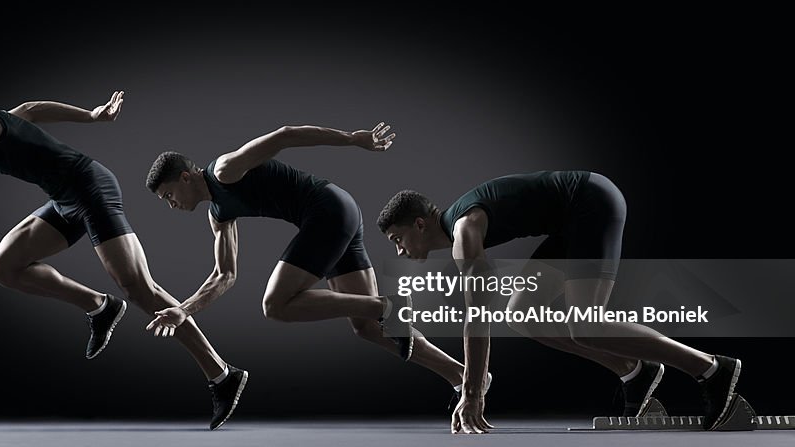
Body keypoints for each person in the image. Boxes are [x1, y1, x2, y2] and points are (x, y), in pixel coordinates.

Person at [0, 91, 246, 430]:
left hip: (90, 187)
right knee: (2, 267)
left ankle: (222, 375)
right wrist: (90, 114)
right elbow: (32, 111)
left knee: (140, 288)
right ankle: (100, 307)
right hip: (65, 200)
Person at [144, 123, 488, 412]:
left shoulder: (225, 170)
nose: (170, 204)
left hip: (327, 210)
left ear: (186, 177)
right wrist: (182, 310)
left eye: (168, 194)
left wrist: (354, 139)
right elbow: (225, 275)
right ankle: (465, 375)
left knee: (275, 305)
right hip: (340, 214)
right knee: (368, 328)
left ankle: (384, 305)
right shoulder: (219, 216)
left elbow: (285, 135)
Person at [376, 171, 742, 433]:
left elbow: (477, 315)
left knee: (585, 322)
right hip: (568, 222)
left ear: (420, 225)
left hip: (590, 201)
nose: (399, 249)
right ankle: (634, 370)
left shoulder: (465, 230)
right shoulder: (461, 226)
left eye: (398, 238)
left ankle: (711, 368)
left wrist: (472, 392)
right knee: (522, 316)